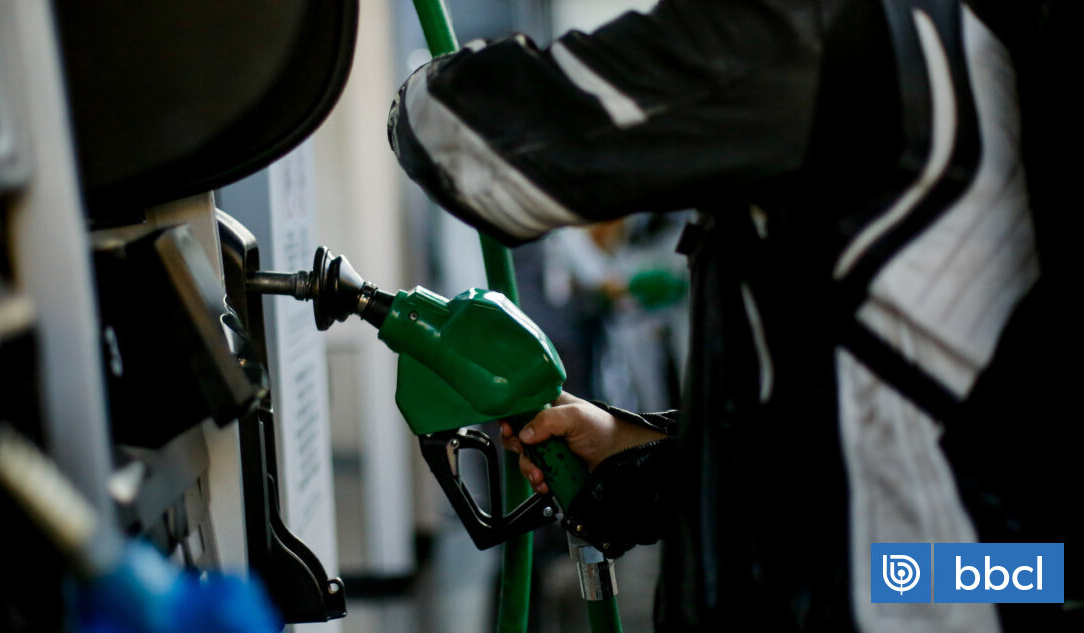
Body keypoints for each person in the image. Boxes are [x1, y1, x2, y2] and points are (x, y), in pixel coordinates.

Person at [388, 0, 1080, 631]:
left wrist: (412, 86)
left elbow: (465, 138)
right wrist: (644, 454)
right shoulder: (982, 30)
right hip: (996, 576)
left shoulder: (814, 28)